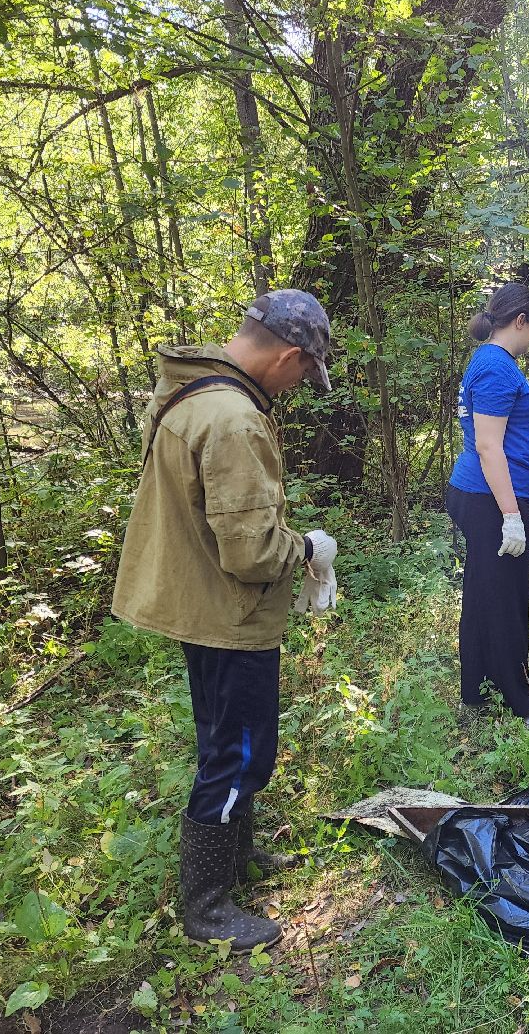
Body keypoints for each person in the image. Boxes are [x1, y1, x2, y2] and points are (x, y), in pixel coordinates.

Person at [112, 289, 338, 952]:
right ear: (290, 355)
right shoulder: (234, 419)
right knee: (240, 757)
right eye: (304, 372)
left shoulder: (196, 393)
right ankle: (207, 906)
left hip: (201, 604)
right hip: (229, 613)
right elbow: (249, 554)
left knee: (225, 742)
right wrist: (308, 549)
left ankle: (235, 860)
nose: (300, 386)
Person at [445, 282, 529, 730]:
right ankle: (523, 706)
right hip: (492, 500)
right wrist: (511, 517)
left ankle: (478, 696)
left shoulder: (494, 362)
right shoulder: (497, 366)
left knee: (484, 597)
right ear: (520, 321)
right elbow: (488, 446)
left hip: (485, 497)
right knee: (506, 603)